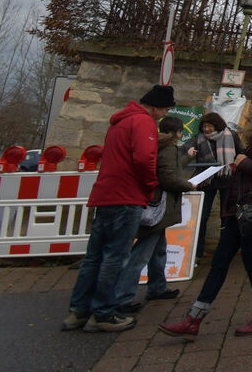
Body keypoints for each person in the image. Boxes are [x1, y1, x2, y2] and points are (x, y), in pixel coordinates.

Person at [159, 106, 252, 340]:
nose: (244, 123)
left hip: (251, 212)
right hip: (239, 211)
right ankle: (194, 318)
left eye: (248, 120)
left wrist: (242, 161)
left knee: (251, 263)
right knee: (223, 263)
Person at [61, 84, 173, 333]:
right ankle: (102, 313)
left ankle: (79, 310)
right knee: (115, 257)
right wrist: (150, 184)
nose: (164, 114)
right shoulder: (143, 123)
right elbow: (145, 159)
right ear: (154, 106)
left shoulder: (118, 122)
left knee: (94, 256)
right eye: (164, 109)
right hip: (127, 196)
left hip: (105, 195)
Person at [116, 115, 196, 313]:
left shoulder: (157, 145)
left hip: (154, 203)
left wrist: (187, 157)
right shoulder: (168, 148)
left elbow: (170, 167)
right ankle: (121, 297)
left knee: (159, 250)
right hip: (159, 205)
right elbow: (168, 177)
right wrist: (189, 185)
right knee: (141, 254)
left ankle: (157, 287)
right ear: (178, 132)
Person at [186, 112, 240, 258]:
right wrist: (189, 150)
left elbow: (240, 153)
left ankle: (225, 251)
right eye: (204, 126)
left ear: (217, 125)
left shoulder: (231, 135)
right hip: (206, 181)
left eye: (209, 126)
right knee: (202, 216)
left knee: (226, 215)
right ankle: (197, 251)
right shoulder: (199, 138)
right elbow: (187, 146)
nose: (206, 129)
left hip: (227, 179)